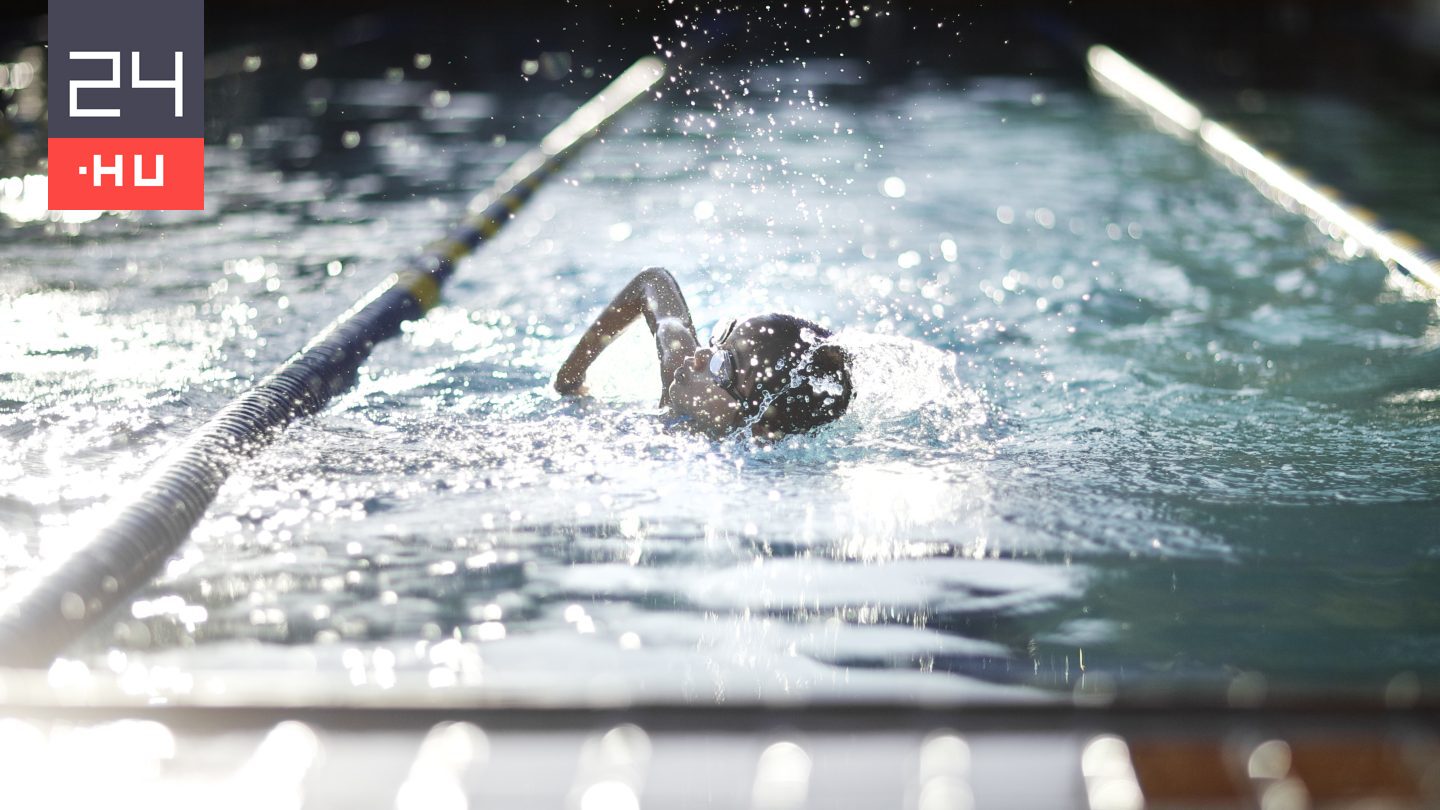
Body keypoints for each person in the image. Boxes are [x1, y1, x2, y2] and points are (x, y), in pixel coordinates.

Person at [555, 267, 852, 439]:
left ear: (757, 427)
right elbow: (653, 282)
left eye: (722, 364)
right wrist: (570, 376)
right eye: (718, 341)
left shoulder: (748, 471)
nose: (700, 356)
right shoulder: (682, 379)